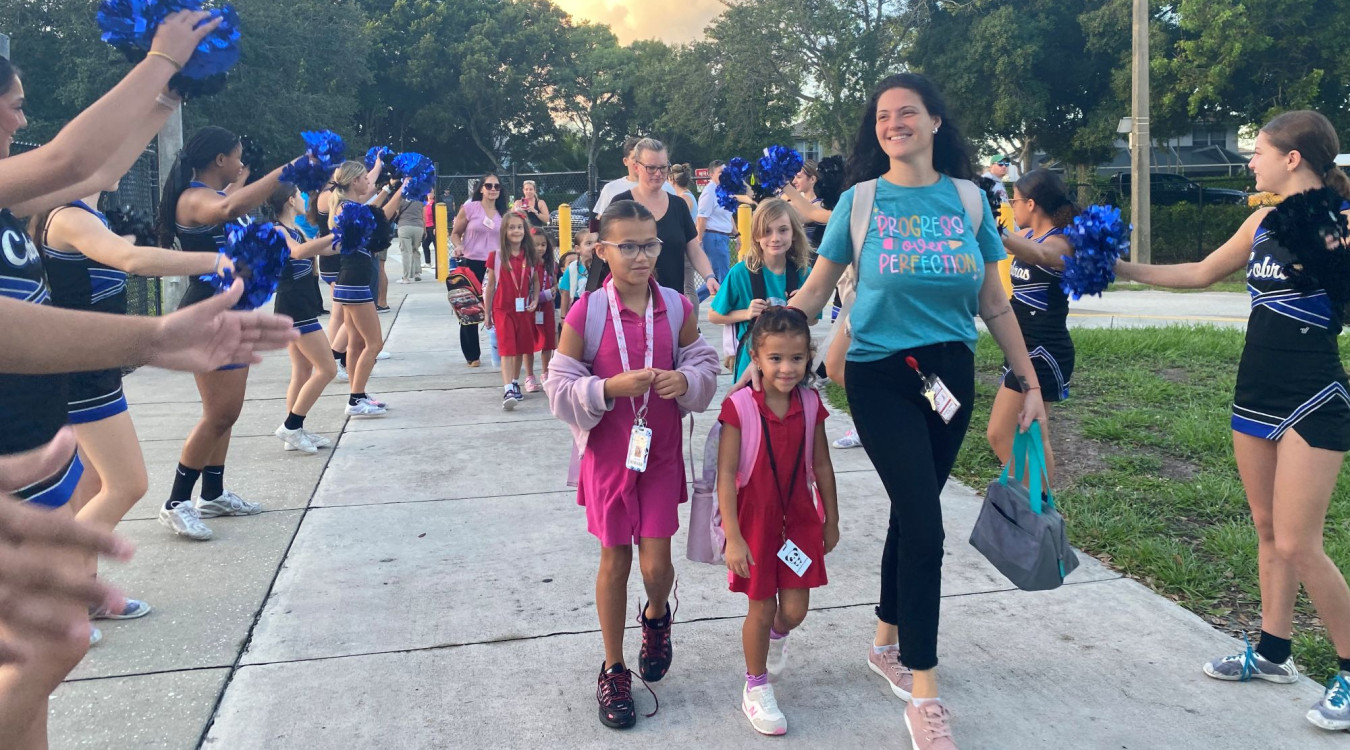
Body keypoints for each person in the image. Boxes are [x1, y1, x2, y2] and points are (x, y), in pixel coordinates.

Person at [774, 73, 1046, 749]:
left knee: (913, 505)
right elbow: (812, 293)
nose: (894, 122)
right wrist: (772, 332)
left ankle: (885, 641)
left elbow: (993, 302)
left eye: (908, 113)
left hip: (949, 372)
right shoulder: (860, 202)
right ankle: (925, 690)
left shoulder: (970, 201)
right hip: (880, 377)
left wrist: (1028, 378)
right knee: (927, 524)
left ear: (935, 123)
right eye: (884, 115)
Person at [0, 14, 231, 746]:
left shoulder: (8, 198)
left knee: (26, 679)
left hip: (32, 460)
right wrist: (161, 54)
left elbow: (92, 171)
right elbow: (70, 157)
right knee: (53, 645)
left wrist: (173, 86)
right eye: (14, 98)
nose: (22, 113)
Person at [1116, 110, 1350, 733]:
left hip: (1314, 392)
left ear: (1293, 158)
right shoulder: (1263, 221)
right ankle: (1274, 652)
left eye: (1261, 151)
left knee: (1301, 541)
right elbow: (1197, 274)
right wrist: (1116, 269)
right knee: (1268, 527)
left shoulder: (1338, 226)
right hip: (1256, 391)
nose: (1252, 161)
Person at [34, 174, 237, 635]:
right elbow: (132, 259)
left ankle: (83, 597)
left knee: (90, 488)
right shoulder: (67, 216)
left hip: (93, 366)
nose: (126, 157)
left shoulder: (91, 216)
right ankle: (54, 589)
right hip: (82, 372)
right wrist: (217, 258)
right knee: (127, 484)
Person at [544, 199, 721, 730]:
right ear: (603, 251)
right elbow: (558, 385)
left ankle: (657, 614)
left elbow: (702, 359)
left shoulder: (676, 306)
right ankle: (614, 667)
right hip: (608, 457)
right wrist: (606, 389)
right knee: (614, 562)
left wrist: (686, 380)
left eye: (650, 245)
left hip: (660, 452)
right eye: (628, 247)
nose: (641, 256)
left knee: (654, 566)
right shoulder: (587, 312)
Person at [155, 124, 309, 541]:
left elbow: (238, 208)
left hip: (234, 312)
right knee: (218, 413)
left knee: (229, 412)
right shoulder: (194, 199)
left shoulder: (221, 194)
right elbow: (227, 210)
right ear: (219, 160)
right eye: (237, 156)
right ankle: (176, 502)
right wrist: (292, 167)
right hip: (206, 315)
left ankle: (214, 492)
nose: (241, 163)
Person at [717, 307, 839, 736]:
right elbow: (727, 478)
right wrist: (733, 537)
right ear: (756, 356)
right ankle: (756, 685)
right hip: (755, 519)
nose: (787, 368)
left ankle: (775, 635)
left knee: (794, 609)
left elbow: (822, 465)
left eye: (797, 358)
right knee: (761, 605)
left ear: (808, 357)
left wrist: (831, 518)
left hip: (799, 520)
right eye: (776, 359)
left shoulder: (810, 403)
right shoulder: (738, 408)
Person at [984, 169, 1078, 482]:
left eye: (1016, 200)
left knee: (1000, 433)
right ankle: (1038, 509)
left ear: (1032, 204)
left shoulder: (1061, 244)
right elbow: (1007, 244)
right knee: (1033, 435)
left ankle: (1036, 503)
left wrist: (994, 229)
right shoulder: (1025, 236)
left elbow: (1039, 255)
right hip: (1022, 346)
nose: (1012, 204)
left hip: (1044, 350)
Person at [589, 139, 721, 307]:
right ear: (637, 167)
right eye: (651, 168)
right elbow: (608, 249)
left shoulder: (678, 205)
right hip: (630, 302)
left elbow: (693, 247)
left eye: (663, 167)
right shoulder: (621, 202)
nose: (658, 173)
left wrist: (709, 276)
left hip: (671, 301)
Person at [267, 182, 340, 453]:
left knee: (303, 370)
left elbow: (319, 250)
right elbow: (297, 253)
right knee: (328, 369)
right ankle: (292, 426)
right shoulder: (276, 230)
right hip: (294, 305)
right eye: (300, 194)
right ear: (289, 200)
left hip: (301, 303)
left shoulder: (295, 228)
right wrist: (336, 235)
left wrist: (348, 239)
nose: (304, 197)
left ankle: (293, 432)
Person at [710, 198, 814, 381]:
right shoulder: (740, 273)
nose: (775, 238)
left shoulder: (804, 274)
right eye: (766, 232)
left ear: (794, 233)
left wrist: (805, 308)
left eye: (783, 230)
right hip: (750, 364)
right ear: (756, 236)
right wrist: (746, 313)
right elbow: (714, 315)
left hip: (790, 366)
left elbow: (812, 321)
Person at [329, 160, 402, 417]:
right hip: (355, 282)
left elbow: (373, 211)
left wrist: (391, 189)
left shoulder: (348, 206)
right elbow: (378, 215)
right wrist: (399, 190)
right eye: (363, 179)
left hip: (351, 279)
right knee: (375, 343)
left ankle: (357, 394)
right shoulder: (346, 208)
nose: (367, 183)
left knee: (357, 342)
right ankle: (355, 398)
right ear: (353, 182)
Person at [483, 211, 540, 409]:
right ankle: (507, 388)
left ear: (524, 231)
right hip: (503, 309)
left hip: (523, 309)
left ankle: (515, 381)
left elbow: (535, 281)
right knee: (507, 348)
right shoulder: (497, 256)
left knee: (520, 348)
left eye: (519, 227)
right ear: (504, 231)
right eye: (511, 227)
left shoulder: (530, 256)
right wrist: (487, 311)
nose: (516, 231)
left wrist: (534, 299)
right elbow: (490, 286)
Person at [450, 174, 506, 367]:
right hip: (472, 262)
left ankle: (503, 351)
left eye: (496, 186)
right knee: (470, 309)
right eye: (488, 185)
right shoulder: (470, 209)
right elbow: (456, 233)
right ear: (481, 188)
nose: (493, 189)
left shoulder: (504, 212)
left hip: (497, 264)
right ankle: (472, 355)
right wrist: (458, 246)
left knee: (499, 307)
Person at [522, 228, 559, 390]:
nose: (540, 248)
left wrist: (553, 291)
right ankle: (529, 376)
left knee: (548, 342)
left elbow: (556, 282)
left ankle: (546, 373)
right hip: (529, 309)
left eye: (543, 244)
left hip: (547, 310)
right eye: (536, 244)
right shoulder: (525, 265)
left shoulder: (552, 265)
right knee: (528, 343)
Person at [696, 159, 736, 282]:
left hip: (723, 237)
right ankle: (726, 302)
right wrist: (699, 240)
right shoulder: (709, 192)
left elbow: (729, 215)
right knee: (723, 278)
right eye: (720, 172)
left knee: (717, 279)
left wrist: (737, 235)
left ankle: (693, 300)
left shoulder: (725, 190)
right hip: (714, 237)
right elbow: (701, 219)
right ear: (711, 174)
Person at [561, 229, 595, 318]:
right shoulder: (572, 268)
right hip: (577, 306)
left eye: (597, 242)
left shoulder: (605, 266)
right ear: (578, 248)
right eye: (589, 243)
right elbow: (565, 293)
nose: (594, 246)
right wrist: (563, 316)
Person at [396, 188, 426, 283]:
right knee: (415, 250)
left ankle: (406, 277)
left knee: (406, 252)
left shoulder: (402, 200)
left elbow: (396, 212)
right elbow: (423, 216)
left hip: (404, 226)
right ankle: (417, 273)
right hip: (418, 227)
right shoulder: (420, 200)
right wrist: (424, 230)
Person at [421, 188, 436, 267]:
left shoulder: (434, 203)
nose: (430, 194)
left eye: (432, 192)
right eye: (429, 192)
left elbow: (436, 216)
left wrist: (435, 227)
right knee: (425, 244)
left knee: (435, 245)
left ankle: (437, 263)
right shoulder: (425, 203)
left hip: (432, 226)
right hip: (426, 227)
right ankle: (428, 262)